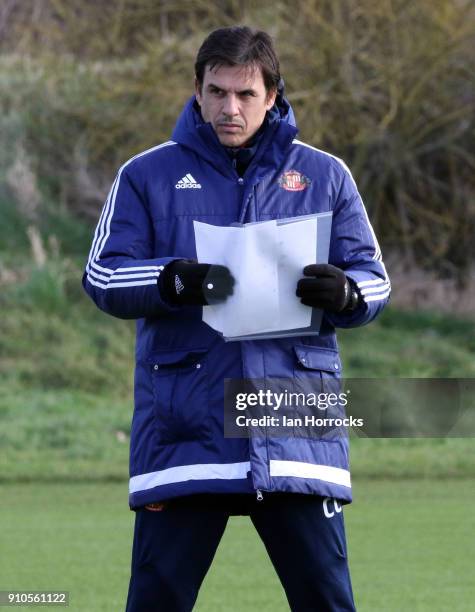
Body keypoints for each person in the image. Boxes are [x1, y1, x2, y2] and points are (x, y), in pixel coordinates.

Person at [83, 25, 390, 612]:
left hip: (296, 423)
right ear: (197, 92)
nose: (230, 108)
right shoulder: (144, 175)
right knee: (156, 602)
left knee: (328, 602)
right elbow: (101, 275)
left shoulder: (327, 176)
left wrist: (346, 293)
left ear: (272, 95)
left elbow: (376, 281)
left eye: (246, 94)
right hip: (185, 428)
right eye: (217, 92)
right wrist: (171, 280)